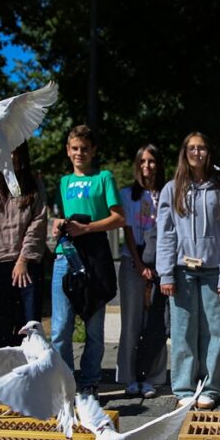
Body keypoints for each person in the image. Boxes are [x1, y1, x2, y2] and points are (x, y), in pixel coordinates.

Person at [156, 132, 220, 409]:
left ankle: (210, 388)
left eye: (201, 148)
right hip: (182, 270)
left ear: (208, 152)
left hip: (213, 270)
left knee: (214, 332)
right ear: (184, 152)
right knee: (183, 331)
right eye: (191, 148)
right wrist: (165, 273)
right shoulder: (172, 188)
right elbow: (166, 233)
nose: (197, 153)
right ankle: (183, 388)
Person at [50, 125, 124, 397]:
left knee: (94, 327)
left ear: (93, 151)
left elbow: (119, 217)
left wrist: (88, 227)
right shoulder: (63, 182)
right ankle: (65, 381)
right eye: (75, 148)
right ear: (68, 151)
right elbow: (56, 216)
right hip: (66, 254)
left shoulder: (104, 178)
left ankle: (90, 380)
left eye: (84, 148)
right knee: (60, 328)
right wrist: (57, 223)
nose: (80, 153)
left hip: (95, 253)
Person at [0, 143, 47, 350]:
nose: (9, 155)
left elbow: (38, 224)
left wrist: (23, 260)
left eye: (14, 150)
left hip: (26, 266)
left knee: (28, 329)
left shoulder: (34, 184)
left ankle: (28, 377)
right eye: (4, 149)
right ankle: (0, 378)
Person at [117, 144, 167, 399]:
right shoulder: (127, 194)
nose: (147, 166)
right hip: (132, 262)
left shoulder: (166, 193)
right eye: (143, 162)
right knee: (132, 323)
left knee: (156, 323)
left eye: (152, 161)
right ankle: (129, 376)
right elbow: (125, 231)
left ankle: (154, 376)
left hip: (160, 264)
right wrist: (139, 265)